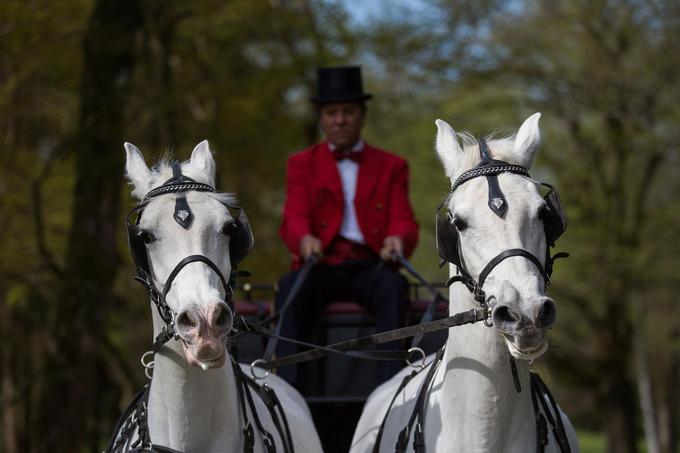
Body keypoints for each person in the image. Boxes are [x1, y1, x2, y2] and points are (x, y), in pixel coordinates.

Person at [275, 66, 419, 392]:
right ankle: (286, 391)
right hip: (321, 264)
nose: (340, 120)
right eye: (332, 113)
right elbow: (293, 216)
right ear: (321, 118)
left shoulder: (392, 165)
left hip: (371, 265)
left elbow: (404, 219)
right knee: (289, 290)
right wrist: (304, 239)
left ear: (362, 115)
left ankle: (391, 389)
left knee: (395, 289)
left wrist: (398, 239)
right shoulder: (301, 164)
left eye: (348, 112)